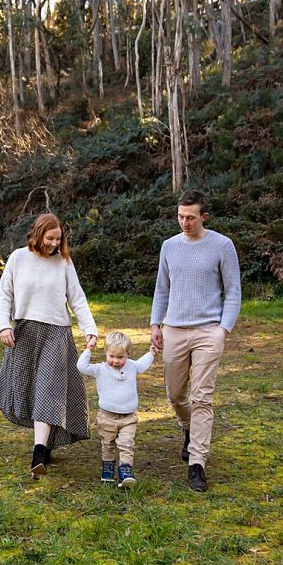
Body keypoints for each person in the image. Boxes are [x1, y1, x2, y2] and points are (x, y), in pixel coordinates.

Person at [0, 213, 98, 479]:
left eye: (58, 239)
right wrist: (3, 325)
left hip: (56, 333)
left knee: (49, 390)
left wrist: (90, 330)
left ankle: (38, 453)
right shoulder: (18, 258)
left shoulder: (63, 262)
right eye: (50, 238)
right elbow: (5, 294)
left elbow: (78, 298)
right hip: (26, 331)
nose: (54, 243)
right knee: (31, 389)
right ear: (38, 234)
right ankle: (45, 442)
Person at [150, 189, 241, 493]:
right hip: (174, 329)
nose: (184, 222)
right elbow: (161, 289)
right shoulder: (169, 246)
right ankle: (188, 429)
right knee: (176, 394)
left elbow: (233, 292)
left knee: (202, 396)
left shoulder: (222, 246)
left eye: (190, 217)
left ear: (204, 216)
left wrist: (222, 330)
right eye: (180, 216)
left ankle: (197, 464)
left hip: (208, 332)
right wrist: (155, 323)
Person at [77, 331, 159, 488]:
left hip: (128, 418)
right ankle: (108, 469)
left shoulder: (132, 366)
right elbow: (82, 366)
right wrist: (88, 350)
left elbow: (142, 364)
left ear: (128, 354)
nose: (115, 361)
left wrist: (151, 353)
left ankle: (125, 472)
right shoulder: (101, 369)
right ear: (105, 353)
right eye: (111, 356)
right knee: (107, 444)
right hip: (107, 417)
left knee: (127, 444)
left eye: (120, 357)